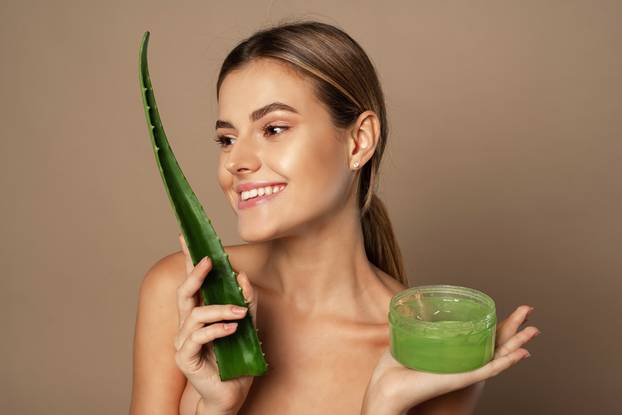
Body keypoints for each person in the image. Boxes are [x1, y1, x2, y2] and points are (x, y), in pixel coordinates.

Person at [130, 20, 540, 415]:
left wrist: (382, 407)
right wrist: (215, 408)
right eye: (227, 139)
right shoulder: (187, 296)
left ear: (358, 141)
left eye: (273, 129)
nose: (236, 161)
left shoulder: (423, 347)